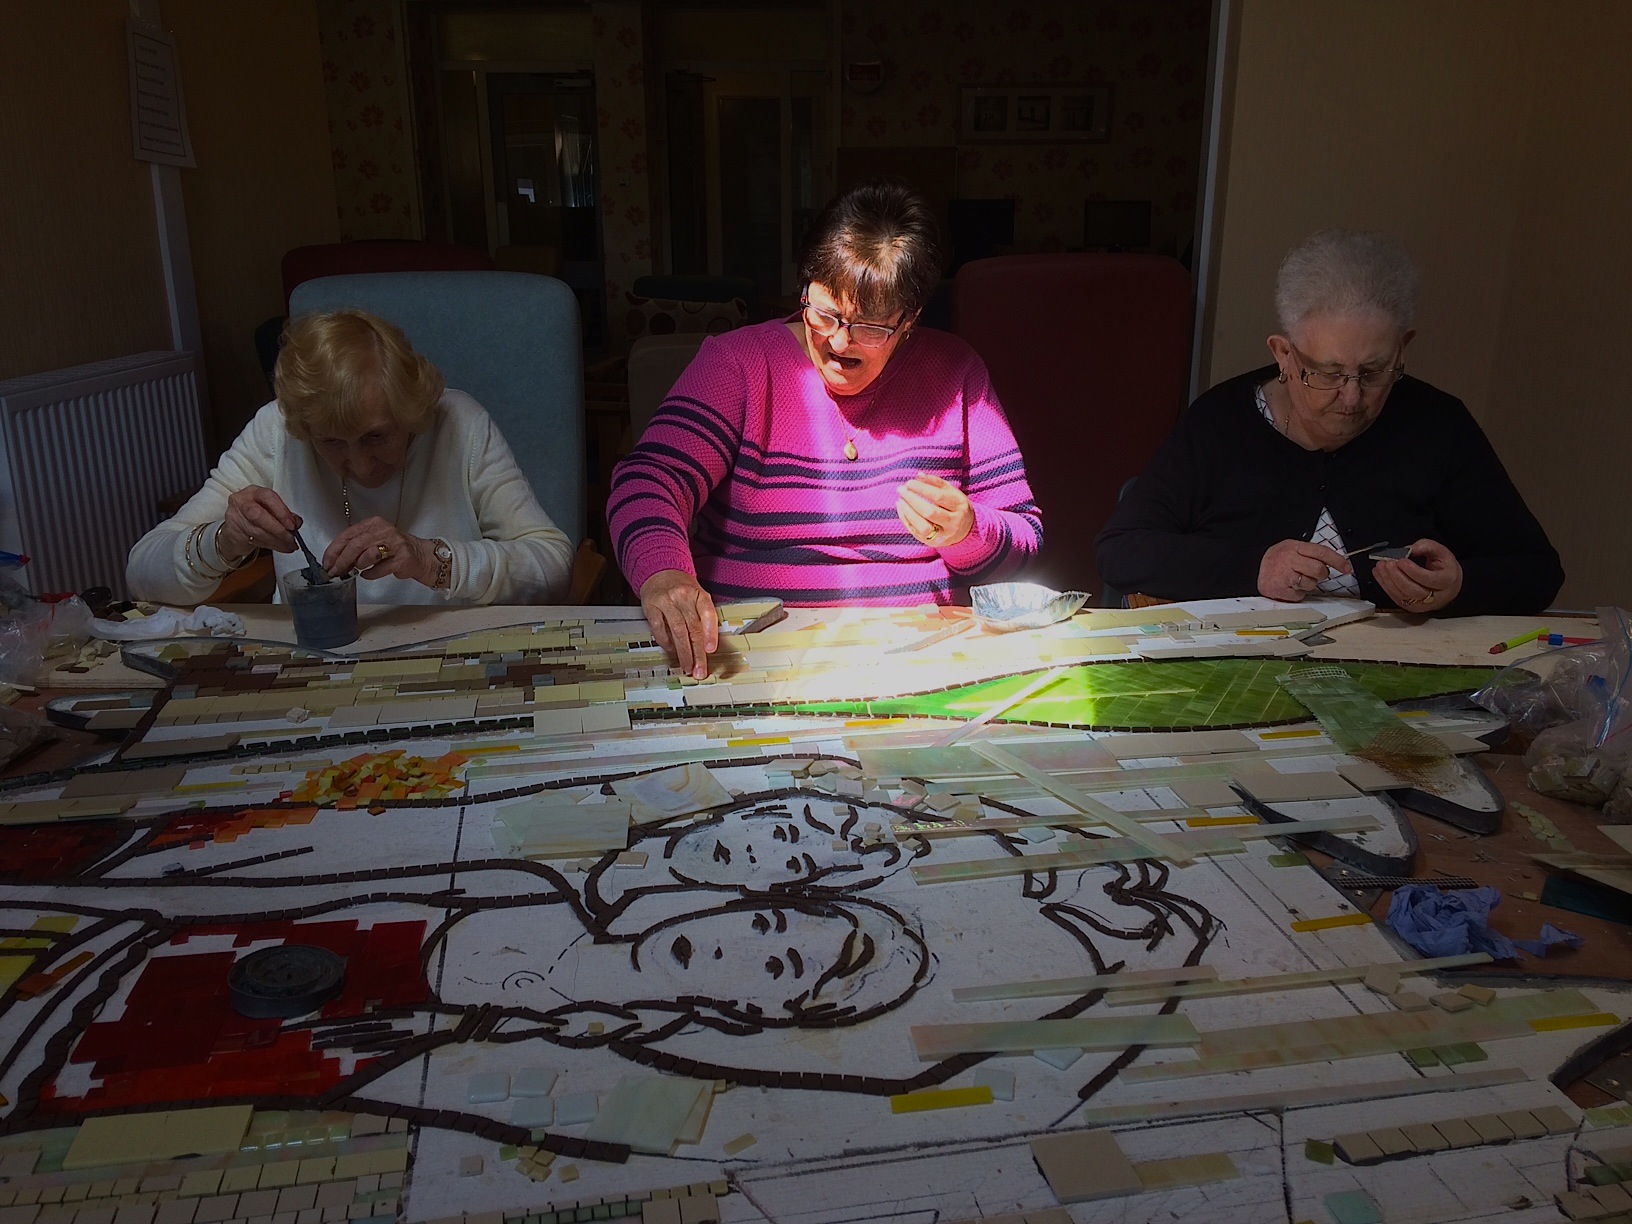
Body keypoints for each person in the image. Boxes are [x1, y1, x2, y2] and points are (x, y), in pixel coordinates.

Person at [608, 179, 1043, 677]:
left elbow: (1023, 538)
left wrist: (967, 531)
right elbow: (647, 482)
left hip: (920, 658)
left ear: (910, 320)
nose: (840, 341)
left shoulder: (956, 372)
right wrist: (664, 572)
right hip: (747, 657)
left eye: (871, 326)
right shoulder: (739, 364)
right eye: (825, 313)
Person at [1095, 230, 1562, 615]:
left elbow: (1538, 571)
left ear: (1404, 348)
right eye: (1328, 373)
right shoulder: (1221, 423)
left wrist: (1461, 583)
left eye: (1375, 372)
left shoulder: (1438, 425)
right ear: (1283, 354)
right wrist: (1253, 567)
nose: (1352, 397)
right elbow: (1120, 549)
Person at [127, 309, 572, 606]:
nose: (360, 466)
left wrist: (430, 560)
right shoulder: (276, 431)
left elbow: (552, 564)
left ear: (412, 412)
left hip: (451, 658)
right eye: (332, 442)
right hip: (312, 675)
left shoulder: (459, 422)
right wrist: (222, 542)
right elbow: (141, 572)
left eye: (377, 436)